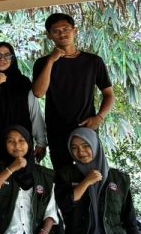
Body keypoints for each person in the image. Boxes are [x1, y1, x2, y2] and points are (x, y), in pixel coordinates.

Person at [55, 128, 141, 234]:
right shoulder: (66, 175)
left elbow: (129, 218)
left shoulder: (119, 178)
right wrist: (86, 182)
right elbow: (64, 205)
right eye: (74, 148)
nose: (80, 152)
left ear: (95, 145)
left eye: (85, 146)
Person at [32, 13, 114, 171]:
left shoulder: (93, 61)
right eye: (56, 31)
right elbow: (38, 93)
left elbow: (109, 95)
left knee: (93, 173)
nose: (62, 34)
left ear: (75, 31)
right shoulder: (42, 63)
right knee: (63, 175)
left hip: (86, 127)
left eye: (66, 29)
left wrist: (100, 117)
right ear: (49, 35)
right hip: (57, 130)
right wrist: (51, 60)